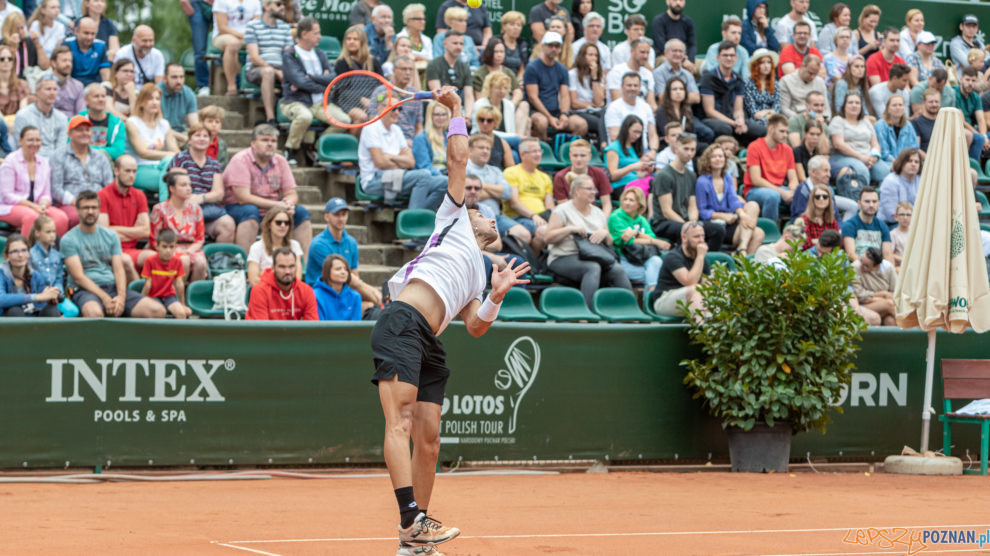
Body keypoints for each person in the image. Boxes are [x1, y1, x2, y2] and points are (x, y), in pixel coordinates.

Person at [370, 87, 529, 555]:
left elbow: (475, 328)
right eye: (484, 211)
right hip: (402, 321)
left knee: (431, 440)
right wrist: (457, 111)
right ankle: (411, 520)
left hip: (431, 341)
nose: (489, 217)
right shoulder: (453, 218)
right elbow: (458, 162)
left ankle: (413, 544)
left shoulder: (480, 270)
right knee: (398, 422)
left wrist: (495, 297)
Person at [62, 190, 165, 318]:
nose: (90, 211)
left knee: (157, 311)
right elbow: (78, 277)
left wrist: (121, 298)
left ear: (99, 210)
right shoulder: (68, 239)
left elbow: (119, 269)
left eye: (94, 207)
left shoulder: (111, 236)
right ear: (77, 210)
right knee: (94, 313)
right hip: (84, 290)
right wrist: (104, 297)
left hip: (112, 287)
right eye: (85, 208)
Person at [544, 173, 632, 306]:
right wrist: (569, 229)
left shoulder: (598, 212)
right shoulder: (562, 210)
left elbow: (609, 242)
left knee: (617, 269)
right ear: (577, 191)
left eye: (594, 189)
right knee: (592, 268)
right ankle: (586, 314)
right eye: (589, 189)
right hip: (563, 256)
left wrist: (605, 234)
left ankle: (631, 311)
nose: (594, 192)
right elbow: (548, 238)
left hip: (594, 255)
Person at [223, 124, 311, 253]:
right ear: (253, 143)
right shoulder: (240, 160)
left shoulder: (280, 161)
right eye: (264, 140)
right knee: (250, 211)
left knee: (301, 213)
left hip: (272, 208)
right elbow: (243, 197)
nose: (270, 144)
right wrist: (277, 205)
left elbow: (291, 193)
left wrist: (289, 203)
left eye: (273, 141)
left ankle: (304, 266)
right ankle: (244, 263)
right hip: (238, 207)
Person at [360, 106, 447, 211]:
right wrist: (400, 160)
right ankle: (412, 220)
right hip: (374, 181)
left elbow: (410, 162)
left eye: (399, 109)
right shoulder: (371, 128)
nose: (397, 112)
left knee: (445, 182)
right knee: (423, 175)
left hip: (399, 176)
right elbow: (380, 163)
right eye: (393, 109)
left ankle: (419, 217)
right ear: (381, 109)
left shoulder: (396, 130)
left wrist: (390, 157)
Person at [281, 18, 343, 163]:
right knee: (305, 117)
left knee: (343, 121)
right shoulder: (290, 54)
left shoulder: (321, 53)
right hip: (296, 101)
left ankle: (315, 147)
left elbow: (333, 78)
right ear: (304, 34)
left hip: (321, 103)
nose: (319, 36)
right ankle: (291, 150)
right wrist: (323, 84)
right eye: (316, 33)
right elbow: (300, 81)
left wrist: (312, 77)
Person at [305, 197, 383, 311]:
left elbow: (355, 276)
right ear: (327, 217)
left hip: (343, 290)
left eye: (344, 214)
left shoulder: (351, 242)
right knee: (372, 306)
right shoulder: (318, 244)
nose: (341, 218)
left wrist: (371, 291)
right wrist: (374, 294)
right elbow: (346, 278)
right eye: (336, 215)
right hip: (322, 294)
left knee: (371, 305)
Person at [650, 133, 725, 252]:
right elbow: (666, 211)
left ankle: (704, 260)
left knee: (718, 230)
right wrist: (688, 227)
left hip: (684, 220)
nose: (689, 153)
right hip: (664, 223)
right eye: (686, 149)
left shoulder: (691, 175)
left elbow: (692, 205)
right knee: (686, 232)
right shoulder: (664, 175)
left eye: (692, 149)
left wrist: (694, 223)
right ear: (676, 148)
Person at [167, 123, 236, 243]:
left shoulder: (214, 164)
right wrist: (191, 199)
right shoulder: (180, 159)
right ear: (189, 140)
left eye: (205, 136)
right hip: (184, 206)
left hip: (208, 208)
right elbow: (178, 186)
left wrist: (201, 198)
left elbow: (219, 193)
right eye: (197, 135)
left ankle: (218, 259)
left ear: (210, 141)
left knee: (228, 224)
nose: (202, 138)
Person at [695, 143, 763, 254]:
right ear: (708, 160)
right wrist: (723, 216)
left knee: (753, 207)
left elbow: (733, 200)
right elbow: (703, 211)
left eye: (720, 156)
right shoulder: (702, 181)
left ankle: (742, 249)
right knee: (757, 232)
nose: (718, 159)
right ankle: (742, 252)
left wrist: (742, 214)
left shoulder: (727, 177)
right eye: (714, 157)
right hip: (715, 226)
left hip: (731, 222)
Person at [0, 126, 69, 236]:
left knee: (61, 218)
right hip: (8, 207)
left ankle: (54, 251)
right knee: (32, 216)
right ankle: (27, 251)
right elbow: (7, 196)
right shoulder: (10, 161)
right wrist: (32, 206)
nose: (35, 143)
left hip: (37, 206)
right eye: (30, 140)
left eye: (38, 140)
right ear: (20, 141)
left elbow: (46, 194)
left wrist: (42, 204)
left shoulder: (44, 163)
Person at [50, 114, 112, 226]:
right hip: (71, 203)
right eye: (79, 130)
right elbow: (55, 189)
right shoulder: (58, 156)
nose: (84, 133)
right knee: (79, 216)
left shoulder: (101, 156)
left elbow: (109, 185)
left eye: (87, 130)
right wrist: (77, 201)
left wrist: (98, 202)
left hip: (99, 201)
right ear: (69, 134)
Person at [97, 155, 152, 280]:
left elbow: (145, 231)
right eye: (127, 171)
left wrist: (116, 230)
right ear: (116, 171)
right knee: (126, 260)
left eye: (134, 171)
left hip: (132, 249)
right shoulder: (102, 195)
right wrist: (134, 232)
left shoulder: (139, 195)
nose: (132, 175)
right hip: (110, 251)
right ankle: (140, 296)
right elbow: (104, 233)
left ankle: (159, 295)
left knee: (156, 259)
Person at [525, 31, 585, 141]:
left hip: (557, 112)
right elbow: (533, 98)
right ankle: (544, 152)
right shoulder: (532, 67)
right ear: (543, 46)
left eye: (557, 46)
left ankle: (565, 151)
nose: (554, 49)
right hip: (536, 112)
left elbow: (565, 95)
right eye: (550, 45)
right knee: (541, 123)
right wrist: (549, 117)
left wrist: (564, 114)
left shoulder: (562, 69)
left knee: (581, 125)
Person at [149, 170, 207, 283]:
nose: (189, 188)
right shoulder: (159, 209)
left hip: (191, 249)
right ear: (172, 188)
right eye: (183, 185)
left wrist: (189, 251)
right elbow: (154, 240)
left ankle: (193, 295)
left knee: (200, 262)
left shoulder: (196, 209)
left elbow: (200, 239)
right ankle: (176, 294)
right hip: (167, 248)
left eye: (190, 185)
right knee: (183, 260)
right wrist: (174, 251)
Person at [608, 186, 666, 297]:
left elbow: (651, 238)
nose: (627, 203)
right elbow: (628, 242)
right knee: (654, 277)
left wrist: (635, 233)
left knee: (656, 261)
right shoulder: (616, 217)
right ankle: (650, 304)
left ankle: (648, 302)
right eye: (625, 199)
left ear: (639, 204)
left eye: (631, 200)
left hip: (643, 258)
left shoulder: (642, 219)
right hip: (623, 260)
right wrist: (650, 240)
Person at [243, 0, 292, 126]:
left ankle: (293, 116)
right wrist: (276, 71)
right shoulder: (252, 26)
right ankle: (271, 118)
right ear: (266, 6)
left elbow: (288, 54)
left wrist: (286, 71)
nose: (282, 7)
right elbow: (254, 57)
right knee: (268, 72)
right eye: (278, 4)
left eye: (283, 5)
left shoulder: (285, 27)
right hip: (257, 68)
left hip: (281, 67)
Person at [743, 114, 798, 222]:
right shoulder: (755, 147)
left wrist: (793, 190)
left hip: (780, 189)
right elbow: (756, 180)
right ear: (771, 129)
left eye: (787, 132)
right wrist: (782, 193)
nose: (785, 135)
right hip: (754, 190)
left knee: (802, 193)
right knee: (773, 196)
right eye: (782, 131)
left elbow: (793, 178)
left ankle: (796, 230)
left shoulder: (787, 150)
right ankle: (771, 232)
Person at [650, 221, 709, 319]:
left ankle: (704, 329)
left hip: (692, 298)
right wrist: (700, 257)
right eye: (696, 237)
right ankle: (702, 329)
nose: (701, 240)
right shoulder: (673, 256)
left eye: (703, 236)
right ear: (684, 237)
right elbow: (689, 282)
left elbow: (707, 285)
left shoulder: (702, 259)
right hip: (664, 300)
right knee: (696, 289)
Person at [503, 136, 554, 250]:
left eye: (539, 151)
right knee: (544, 231)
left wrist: (553, 219)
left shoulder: (545, 177)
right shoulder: (511, 172)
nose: (538, 154)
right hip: (517, 217)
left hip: (541, 219)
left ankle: (536, 263)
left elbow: (549, 205)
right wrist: (533, 215)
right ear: (522, 155)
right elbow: (514, 203)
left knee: (553, 231)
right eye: (533, 151)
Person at [699, 40, 755, 143]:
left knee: (760, 130)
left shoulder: (738, 80)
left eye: (731, 55)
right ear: (718, 58)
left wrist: (740, 120)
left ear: (736, 58)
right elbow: (709, 111)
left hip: (731, 118)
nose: (729, 58)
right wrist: (734, 123)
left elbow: (738, 109)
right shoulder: (708, 78)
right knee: (726, 129)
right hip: (712, 119)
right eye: (725, 55)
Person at [829, 92, 888, 186]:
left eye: (857, 103)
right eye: (850, 102)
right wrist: (861, 158)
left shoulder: (865, 122)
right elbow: (838, 144)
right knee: (861, 171)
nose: (854, 105)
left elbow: (875, 143)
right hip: (845, 156)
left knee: (885, 171)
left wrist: (874, 157)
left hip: (868, 157)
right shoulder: (838, 120)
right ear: (844, 105)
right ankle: (862, 199)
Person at [245, 246, 318, 320]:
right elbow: (261, 329)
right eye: (282, 267)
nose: (287, 271)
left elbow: (313, 327)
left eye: (291, 266)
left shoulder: (306, 291)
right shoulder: (260, 290)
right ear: (273, 268)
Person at [334, 25, 384, 127]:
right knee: (362, 117)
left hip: (372, 101)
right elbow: (343, 91)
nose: (351, 41)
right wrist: (362, 100)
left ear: (362, 42)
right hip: (347, 101)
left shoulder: (374, 62)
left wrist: (374, 101)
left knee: (375, 116)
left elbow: (382, 87)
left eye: (355, 39)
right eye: (348, 39)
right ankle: (352, 143)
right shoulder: (341, 63)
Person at [0, 233, 61, 316]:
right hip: (8, 321)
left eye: (24, 250)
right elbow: (1, 299)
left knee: (52, 310)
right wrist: (36, 297)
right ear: (6, 256)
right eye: (15, 251)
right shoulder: (2, 274)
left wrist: (49, 298)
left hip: (32, 318)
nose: (20, 255)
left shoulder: (35, 275)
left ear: (29, 253)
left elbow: (41, 302)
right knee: (15, 311)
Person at [140, 228, 192, 319]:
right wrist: (141, 301)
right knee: (158, 313)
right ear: (157, 246)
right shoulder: (150, 261)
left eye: (171, 247)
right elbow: (148, 285)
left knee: (182, 314)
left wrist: (182, 304)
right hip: (153, 296)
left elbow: (179, 284)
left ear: (176, 247)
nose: (168, 250)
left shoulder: (177, 261)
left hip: (169, 296)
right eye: (164, 246)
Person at [210, 0, 260, 95]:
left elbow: (257, 23)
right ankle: (232, 86)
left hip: (247, 37)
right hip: (223, 36)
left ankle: (257, 86)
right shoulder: (221, 1)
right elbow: (222, 27)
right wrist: (241, 35)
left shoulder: (255, 2)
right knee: (233, 44)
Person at [124, 83, 178, 166]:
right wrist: (170, 155)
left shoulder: (164, 124)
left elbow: (175, 150)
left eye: (157, 99)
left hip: (159, 166)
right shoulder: (132, 123)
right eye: (150, 99)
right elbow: (142, 153)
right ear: (141, 102)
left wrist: (174, 155)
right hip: (139, 166)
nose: (155, 102)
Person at [247, 207, 303, 286]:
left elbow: (297, 277)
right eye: (278, 222)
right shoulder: (257, 247)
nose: (283, 225)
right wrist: (275, 289)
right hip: (265, 292)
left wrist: (263, 274)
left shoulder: (294, 245)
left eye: (286, 223)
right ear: (269, 224)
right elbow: (253, 280)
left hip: (288, 292)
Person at [14, 75, 67, 159]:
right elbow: (20, 147)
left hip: (56, 164)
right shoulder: (23, 116)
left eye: (55, 89)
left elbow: (62, 149)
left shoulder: (62, 118)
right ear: (37, 91)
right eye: (48, 89)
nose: (52, 93)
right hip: (31, 162)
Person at [425, 30, 475, 119]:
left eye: (461, 44)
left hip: (457, 108)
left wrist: (468, 115)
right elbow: (438, 94)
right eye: (455, 43)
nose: (459, 47)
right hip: (438, 112)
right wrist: (454, 114)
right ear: (445, 44)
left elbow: (469, 95)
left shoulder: (465, 67)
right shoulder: (434, 64)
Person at [605, 72, 658, 154]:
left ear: (640, 87)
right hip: (622, 153)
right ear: (622, 87)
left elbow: (653, 134)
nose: (632, 88)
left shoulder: (646, 106)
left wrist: (653, 151)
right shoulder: (613, 107)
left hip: (644, 152)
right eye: (629, 85)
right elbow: (614, 136)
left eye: (636, 85)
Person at [553, 138, 610, 213]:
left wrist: (603, 220)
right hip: (571, 217)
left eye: (583, 156)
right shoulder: (560, 176)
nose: (578, 159)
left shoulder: (599, 173)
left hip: (593, 215)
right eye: (575, 155)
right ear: (570, 156)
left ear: (589, 156)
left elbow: (606, 204)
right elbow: (564, 207)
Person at [655, 76, 710, 149]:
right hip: (669, 146)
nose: (678, 92)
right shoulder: (662, 111)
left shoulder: (687, 109)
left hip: (686, 143)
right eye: (674, 89)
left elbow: (692, 132)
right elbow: (667, 133)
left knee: (705, 146)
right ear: (668, 92)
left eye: (681, 89)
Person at [842, 186, 892, 262]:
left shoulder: (882, 226)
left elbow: (888, 254)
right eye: (867, 201)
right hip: (858, 267)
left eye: (874, 201)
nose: (871, 205)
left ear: (878, 204)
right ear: (859, 203)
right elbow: (851, 255)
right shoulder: (849, 225)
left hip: (878, 267)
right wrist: (869, 267)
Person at [567, 42, 605, 141]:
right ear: (582, 56)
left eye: (596, 55)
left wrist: (594, 77)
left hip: (595, 111)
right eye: (590, 55)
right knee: (601, 123)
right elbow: (574, 103)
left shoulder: (598, 75)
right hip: (579, 112)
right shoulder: (572, 74)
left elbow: (599, 102)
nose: (594, 58)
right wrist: (591, 105)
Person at [79, 82, 125, 161]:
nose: (101, 99)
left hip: (108, 163)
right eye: (96, 96)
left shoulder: (117, 123)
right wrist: (104, 150)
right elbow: (72, 147)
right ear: (86, 100)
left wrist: (88, 150)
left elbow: (118, 151)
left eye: (103, 96)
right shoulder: (77, 121)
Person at [604, 114, 650, 193]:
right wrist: (632, 167)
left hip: (636, 185)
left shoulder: (632, 148)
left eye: (640, 133)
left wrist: (646, 172)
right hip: (621, 186)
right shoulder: (613, 148)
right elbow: (613, 176)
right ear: (626, 129)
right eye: (635, 132)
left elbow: (635, 176)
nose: (637, 136)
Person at [852, 246, 896, 325]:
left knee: (890, 321)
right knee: (889, 304)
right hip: (863, 304)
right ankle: (912, 330)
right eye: (861, 260)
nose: (861, 266)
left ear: (876, 266)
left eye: (866, 265)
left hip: (880, 303)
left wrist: (879, 298)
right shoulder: (855, 267)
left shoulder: (888, 268)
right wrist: (883, 294)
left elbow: (895, 292)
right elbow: (859, 295)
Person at [472, 38, 521, 107]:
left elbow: (517, 91)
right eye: (496, 52)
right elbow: (479, 97)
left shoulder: (508, 72)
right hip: (489, 108)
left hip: (508, 104)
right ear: (489, 52)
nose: (499, 55)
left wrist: (511, 104)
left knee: (524, 105)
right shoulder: (479, 74)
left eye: (501, 52)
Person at [157, 63, 198, 143]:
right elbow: (158, 127)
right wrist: (182, 138)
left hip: (181, 133)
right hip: (160, 134)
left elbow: (194, 125)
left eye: (181, 77)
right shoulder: (155, 93)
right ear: (165, 78)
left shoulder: (188, 93)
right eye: (174, 77)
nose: (179, 81)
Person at [874, 95, 918, 169]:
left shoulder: (908, 125)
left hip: (907, 163)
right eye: (894, 105)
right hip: (886, 163)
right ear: (888, 108)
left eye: (900, 105)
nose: (898, 108)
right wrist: (898, 163)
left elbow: (914, 148)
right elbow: (884, 152)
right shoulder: (880, 125)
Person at [877, 148, 921, 223]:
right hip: (891, 224)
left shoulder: (920, 180)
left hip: (914, 223)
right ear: (901, 162)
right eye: (909, 161)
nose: (913, 164)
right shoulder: (890, 181)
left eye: (916, 162)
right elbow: (891, 215)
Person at [743, 48, 779, 137]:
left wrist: (770, 113)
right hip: (754, 120)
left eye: (769, 62)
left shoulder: (775, 83)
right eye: (762, 63)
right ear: (756, 65)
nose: (766, 66)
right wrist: (769, 112)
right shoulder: (748, 83)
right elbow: (753, 112)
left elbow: (777, 106)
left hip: (772, 117)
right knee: (767, 126)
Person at [313, 254, 362, 321]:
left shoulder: (355, 296)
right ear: (327, 271)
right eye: (338, 269)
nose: (343, 272)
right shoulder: (315, 295)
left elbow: (356, 327)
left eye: (346, 269)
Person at [954, 66, 989, 161]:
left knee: (985, 137)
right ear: (961, 79)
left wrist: (984, 135)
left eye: (973, 81)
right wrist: (981, 136)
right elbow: (961, 121)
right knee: (979, 139)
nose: (970, 83)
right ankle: (972, 166)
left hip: (972, 128)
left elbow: (981, 120)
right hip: (958, 127)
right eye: (967, 80)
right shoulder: (954, 93)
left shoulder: (975, 96)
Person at [2, 11, 50, 78]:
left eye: (22, 28)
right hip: (10, 81)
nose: (20, 32)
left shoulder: (29, 42)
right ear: (9, 29)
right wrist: (13, 48)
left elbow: (45, 66)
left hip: (30, 81)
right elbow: (5, 68)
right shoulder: (2, 45)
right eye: (16, 28)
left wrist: (38, 45)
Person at [779, 55, 828, 120]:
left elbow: (826, 108)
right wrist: (801, 119)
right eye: (810, 73)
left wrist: (825, 119)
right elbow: (784, 109)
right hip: (795, 120)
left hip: (818, 120)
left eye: (815, 74)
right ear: (802, 66)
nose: (813, 77)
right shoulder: (786, 81)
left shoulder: (820, 82)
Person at [651, 0, 695, 69]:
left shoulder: (688, 21)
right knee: (669, 62)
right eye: (674, 0)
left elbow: (692, 45)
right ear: (667, 2)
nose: (678, 3)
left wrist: (691, 61)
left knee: (704, 65)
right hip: (664, 57)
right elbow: (661, 46)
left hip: (685, 57)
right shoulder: (658, 20)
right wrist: (683, 60)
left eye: (681, 0)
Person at [654, 38, 699, 105]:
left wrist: (673, 95)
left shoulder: (687, 74)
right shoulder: (658, 72)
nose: (678, 54)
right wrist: (685, 95)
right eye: (674, 51)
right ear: (665, 53)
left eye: (681, 51)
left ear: (684, 54)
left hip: (685, 112)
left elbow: (696, 98)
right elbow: (662, 97)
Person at [471, 102, 514, 168]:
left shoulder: (503, 143)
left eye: (489, 120)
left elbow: (511, 168)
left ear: (496, 122)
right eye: (482, 120)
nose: (485, 123)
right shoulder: (469, 140)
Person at [799, 181, 840, 250]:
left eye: (825, 197)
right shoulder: (804, 219)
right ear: (812, 199)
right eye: (817, 197)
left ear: (829, 200)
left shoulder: (832, 220)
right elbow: (805, 244)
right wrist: (825, 243)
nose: (821, 199)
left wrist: (815, 241)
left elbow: (837, 243)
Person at [833, 55, 875, 120]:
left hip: (858, 118)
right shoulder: (842, 83)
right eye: (856, 66)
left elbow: (864, 107)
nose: (860, 69)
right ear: (849, 68)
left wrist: (867, 117)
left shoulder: (861, 86)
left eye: (862, 66)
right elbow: (839, 108)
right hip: (843, 119)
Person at [413, 101, 450, 174]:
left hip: (449, 175)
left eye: (444, 114)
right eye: (436, 115)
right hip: (431, 178)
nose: (441, 118)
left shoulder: (449, 137)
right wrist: (444, 176)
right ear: (430, 116)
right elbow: (424, 166)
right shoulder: (421, 138)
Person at [0, 44, 29, 131]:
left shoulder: (22, 84)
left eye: (9, 59)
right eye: (2, 59)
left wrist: (16, 126)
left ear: (13, 62)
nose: (6, 61)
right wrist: (7, 126)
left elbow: (23, 110)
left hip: (18, 125)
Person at [47, 45, 82, 119]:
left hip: (72, 127)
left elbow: (81, 113)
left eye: (70, 61)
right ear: (53, 63)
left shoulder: (78, 86)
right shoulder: (44, 84)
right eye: (64, 61)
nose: (68, 64)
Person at [495, 11, 528, 80]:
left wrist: (519, 82)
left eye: (519, 25)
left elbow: (522, 67)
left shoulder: (522, 44)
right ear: (504, 26)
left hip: (517, 81)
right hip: (498, 79)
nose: (516, 28)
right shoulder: (496, 41)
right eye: (512, 24)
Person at [889, 200, 911, 266]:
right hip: (900, 267)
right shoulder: (892, 234)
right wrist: (905, 260)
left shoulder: (916, 234)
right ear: (896, 217)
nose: (905, 218)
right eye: (902, 214)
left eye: (908, 215)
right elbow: (890, 254)